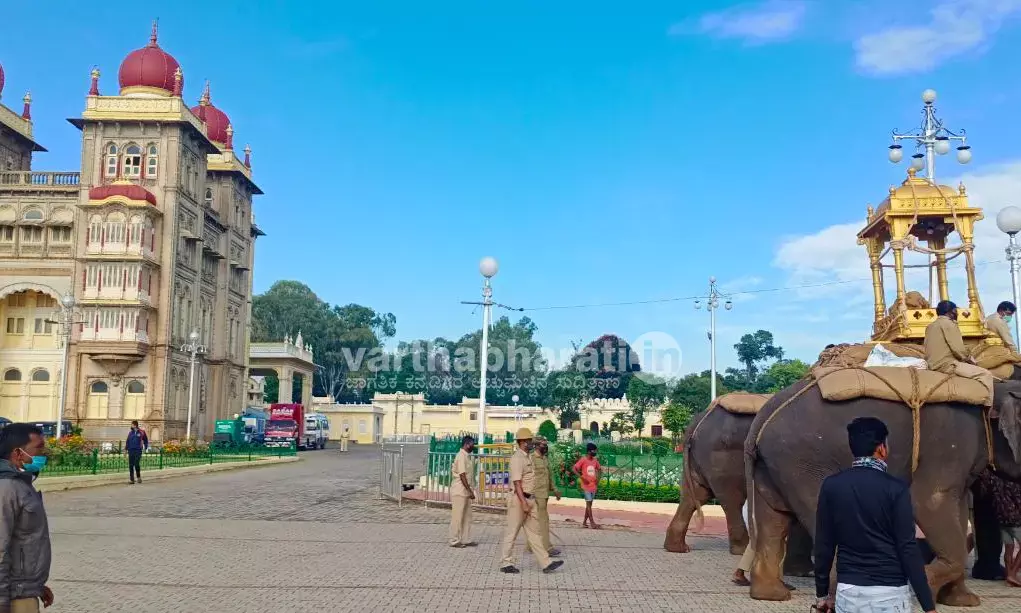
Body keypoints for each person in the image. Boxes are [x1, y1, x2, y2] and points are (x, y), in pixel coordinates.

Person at [813, 417, 935, 613]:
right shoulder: (896, 489)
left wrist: (822, 595)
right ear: (881, 448)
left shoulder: (832, 486)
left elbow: (824, 544)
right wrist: (928, 606)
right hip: (890, 593)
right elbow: (907, 547)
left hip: (848, 592)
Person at [0, 423, 54, 612]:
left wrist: (36, 586)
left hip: (25, 591)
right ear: (18, 453)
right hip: (12, 597)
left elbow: (24, 541)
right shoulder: (6, 488)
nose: (44, 453)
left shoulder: (22, 484)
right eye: (39, 448)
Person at [499, 427, 564, 574]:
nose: (531, 443)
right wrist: (523, 503)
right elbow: (517, 483)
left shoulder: (528, 457)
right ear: (522, 442)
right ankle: (505, 562)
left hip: (530, 499)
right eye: (529, 440)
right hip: (519, 499)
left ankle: (546, 563)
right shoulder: (517, 458)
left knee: (535, 533)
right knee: (512, 532)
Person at [924, 300, 993, 395]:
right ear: (951, 312)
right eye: (956, 311)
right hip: (946, 365)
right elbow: (958, 349)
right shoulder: (949, 324)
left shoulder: (930, 326)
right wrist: (970, 360)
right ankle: (988, 407)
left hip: (932, 364)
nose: (957, 313)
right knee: (985, 374)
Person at [973, 468, 1021, 587]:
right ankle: (1013, 574)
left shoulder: (998, 484)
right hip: (1015, 520)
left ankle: (1009, 574)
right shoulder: (1016, 486)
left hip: (1003, 520)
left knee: (1009, 548)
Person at [527, 435, 561, 557]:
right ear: (536, 445)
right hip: (536, 494)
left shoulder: (544, 458)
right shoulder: (531, 459)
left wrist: (555, 490)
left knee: (535, 521)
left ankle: (531, 545)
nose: (545, 446)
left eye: (546, 444)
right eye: (543, 444)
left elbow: (550, 476)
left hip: (545, 494)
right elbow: (529, 477)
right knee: (543, 521)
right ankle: (547, 547)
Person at [449, 435, 477, 548]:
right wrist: (470, 491)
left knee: (467, 516)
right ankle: (454, 540)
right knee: (457, 516)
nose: (473, 446)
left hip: (464, 491)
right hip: (460, 490)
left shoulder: (467, 456)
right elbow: (462, 475)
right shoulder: (461, 456)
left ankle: (466, 539)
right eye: (472, 444)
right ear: (467, 444)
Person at [573, 442, 601, 529]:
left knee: (589, 505)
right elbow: (574, 469)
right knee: (589, 504)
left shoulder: (595, 461)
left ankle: (584, 522)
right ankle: (592, 522)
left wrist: (598, 479)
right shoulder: (583, 460)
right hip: (586, 486)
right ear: (589, 451)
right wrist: (582, 478)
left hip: (593, 486)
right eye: (593, 450)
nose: (595, 452)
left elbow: (599, 470)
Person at [125, 420, 148, 485]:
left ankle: (138, 477)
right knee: (131, 465)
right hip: (131, 450)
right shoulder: (130, 433)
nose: (131, 425)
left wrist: (146, 448)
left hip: (138, 450)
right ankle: (132, 479)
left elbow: (146, 440)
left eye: (131, 424)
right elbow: (127, 441)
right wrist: (126, 450)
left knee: (136, 464)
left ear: (135, 425)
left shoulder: (141, 432)